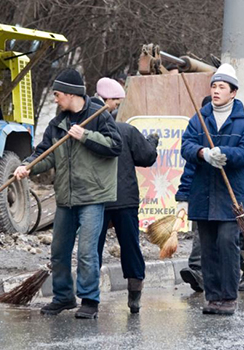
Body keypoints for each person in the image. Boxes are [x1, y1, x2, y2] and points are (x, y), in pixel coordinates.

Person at [14, 69, 122, 319]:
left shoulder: (99, 116)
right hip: (65, 196)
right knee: (59, 251)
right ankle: (63, 297)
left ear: (72, 94)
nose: (54, 98)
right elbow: (46, 153)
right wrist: (28, 166)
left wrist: (86, 136)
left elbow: (115, 146)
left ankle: (90, 300)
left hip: (92, 197)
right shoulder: (57, 123)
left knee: (86, 251)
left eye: (57, 94)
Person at [178, 63, 244, 315]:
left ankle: (228, 296)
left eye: (221, 87)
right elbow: (186, 146)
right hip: (203, 194)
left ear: (233, 92)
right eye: (214, 86)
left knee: (227, 242)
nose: (216, 91)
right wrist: (202, 153)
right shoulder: (200, 118)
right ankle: (212, 298)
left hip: (231, 196)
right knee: (208, 246)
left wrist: (224, 153)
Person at [93, 77, 159, 314]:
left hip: (95, 199)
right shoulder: (126, 130)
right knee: (130, 246)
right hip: (124, 199)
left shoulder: (84, 132)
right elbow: (146, 157)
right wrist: (152, 142)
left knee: (92, 248)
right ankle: (134, 296)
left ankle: (90, 297)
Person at [178, 144, 244, 293]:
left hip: (240, 201)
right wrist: (183, 196)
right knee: (204, 234)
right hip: (211, 199)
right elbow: (191, 170)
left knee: (243, 238)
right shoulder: (207, 145)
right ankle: (199, 271)